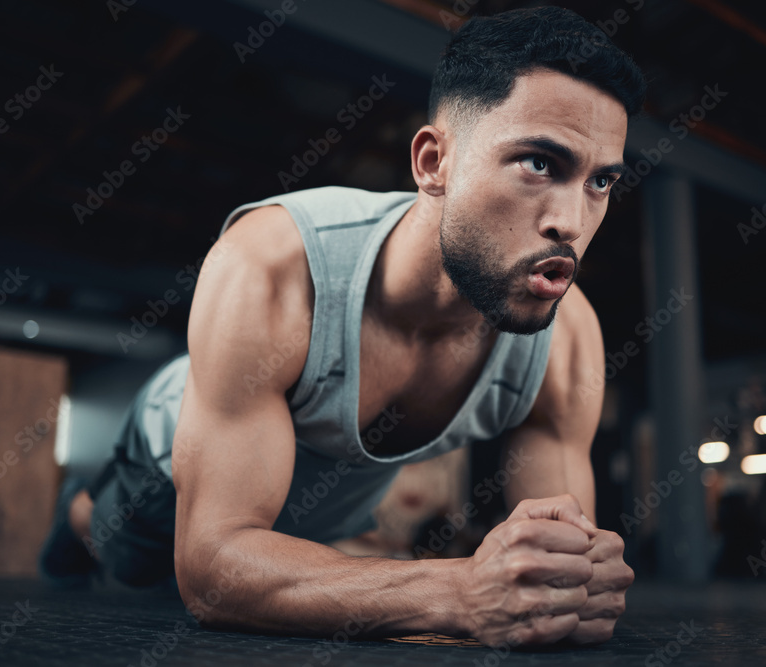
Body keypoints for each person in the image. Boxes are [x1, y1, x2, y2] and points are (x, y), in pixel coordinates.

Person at [39, 6, 646, 648]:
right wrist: (460, 592)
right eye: (540, 164)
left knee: (305, 561)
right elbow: (212, 571)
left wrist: (576, 578)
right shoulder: (272, 265)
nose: (572, 222)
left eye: (601, 180)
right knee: (133, 565)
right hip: (165, 470)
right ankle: (76, 513)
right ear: (434, 162)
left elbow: (563, 564)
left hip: (322, 505)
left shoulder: (568, 338)